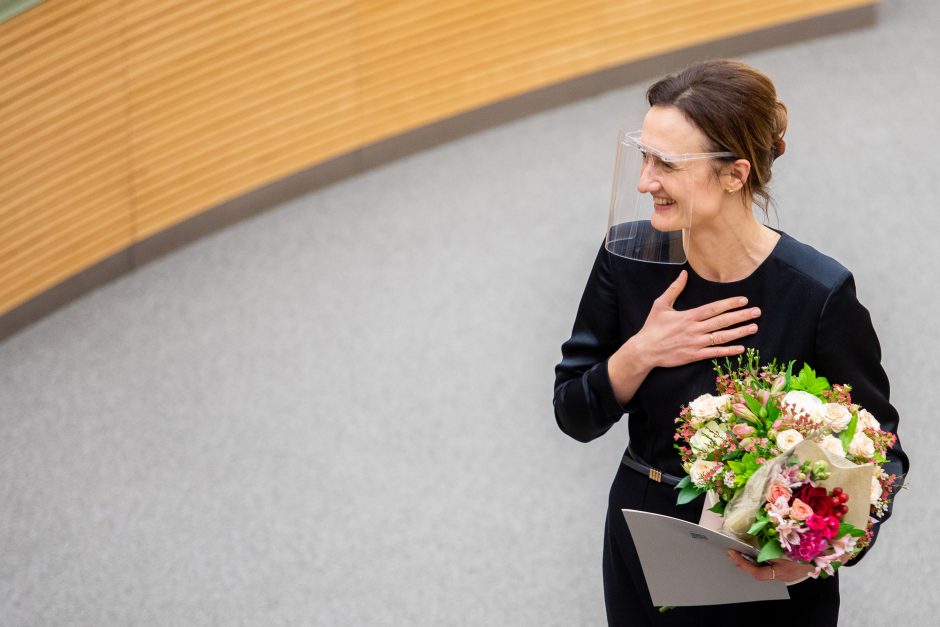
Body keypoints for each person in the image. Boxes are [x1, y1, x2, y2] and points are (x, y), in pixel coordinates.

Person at [552, 59, 909, 626]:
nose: (645, 181)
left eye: (665, 163)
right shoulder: (627, 257)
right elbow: (574, 412)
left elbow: (880, 453)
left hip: (763, 558)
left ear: (735, 174)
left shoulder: (818, 293)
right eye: (643, 158)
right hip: (645, 530)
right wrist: (641, 351)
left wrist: (816, 554)